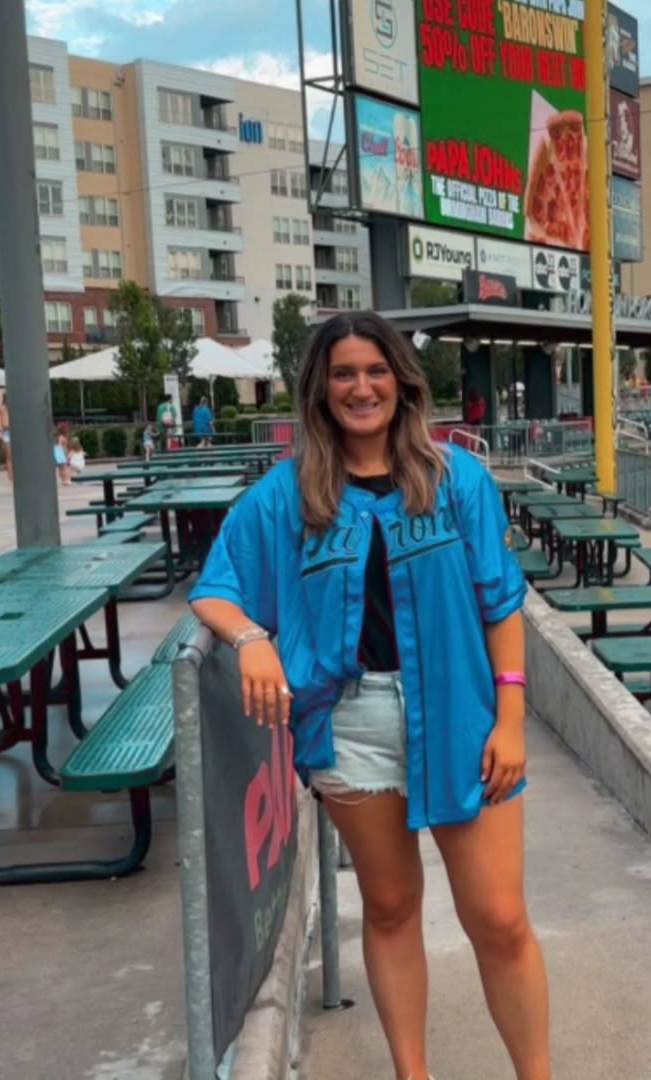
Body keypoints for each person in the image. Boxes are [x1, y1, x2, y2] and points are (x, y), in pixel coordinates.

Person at [189, 312, 551, 1080]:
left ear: (401, 381)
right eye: (344, 374)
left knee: (499, 917)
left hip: (463, 719)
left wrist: (512, 718)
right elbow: (215, 588)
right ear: (320, 389)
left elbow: (500, 604)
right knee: (389, 909)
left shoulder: (458, 479)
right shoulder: (287, 497)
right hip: (351, 726)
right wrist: (252, 639)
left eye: (376, 370)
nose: (362, 388)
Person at [0, 393, 11, 482]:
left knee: (11, 457)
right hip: (8, 432)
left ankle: (12, 477)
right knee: (9, 457)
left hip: (10, 432)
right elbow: (5, 424)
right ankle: (11, 477)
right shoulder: (3, 408)